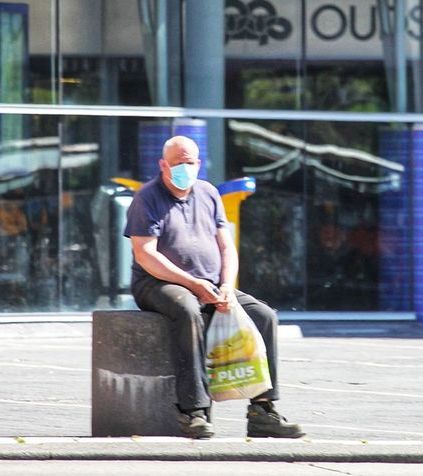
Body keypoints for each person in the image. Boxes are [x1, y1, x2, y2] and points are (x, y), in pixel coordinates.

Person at [124, 135, 304, 440]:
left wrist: (226, 286)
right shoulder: (147, 197)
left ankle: (263, 411)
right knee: (187, 310)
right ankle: (193, 411)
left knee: (264, 316)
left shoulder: (208, 193)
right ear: (163, 165)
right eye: (178, 163)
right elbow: (145, 254)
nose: (185, 168)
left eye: (190, 163)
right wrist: (193, 284)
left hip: (210, 282)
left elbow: (226, 246)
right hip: (158, 283)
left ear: (199, 163)